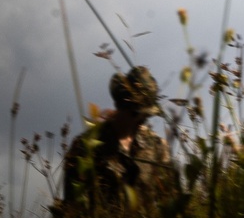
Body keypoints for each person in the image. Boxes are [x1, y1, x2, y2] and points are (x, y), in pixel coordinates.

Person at [62, 66, 176, 207]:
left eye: (144, 114)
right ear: (118, 104)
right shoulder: (85, 146)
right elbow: (72, 206)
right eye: (133, 112)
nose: (140, 119)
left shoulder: (157, 146)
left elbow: (170, 199)